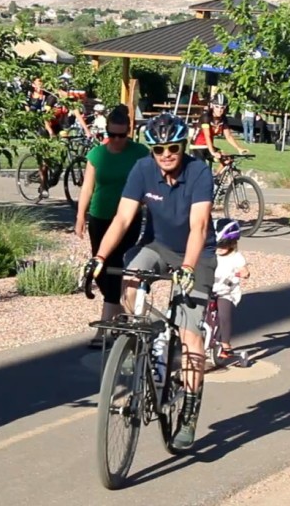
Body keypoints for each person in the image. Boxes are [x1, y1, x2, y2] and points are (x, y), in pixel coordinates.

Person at [84, 112, 216, 450]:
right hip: (157, 245)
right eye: (159, 149)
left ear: (182, 146)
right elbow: (123, 217)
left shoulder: (199, 171)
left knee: (190, 335)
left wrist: (187, 266)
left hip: (196, 253)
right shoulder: (142, 169)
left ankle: (188, 412)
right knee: (129, 276)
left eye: (173, 147)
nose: (167, 154)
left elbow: (199, 226)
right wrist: (99, 257)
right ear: (152, 151)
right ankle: (141, 339)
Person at [75, 105, 150, 348]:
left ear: (129, 132)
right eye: (112, 135)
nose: (117, 140)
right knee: (102, 266)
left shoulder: (139, 153)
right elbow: (87, 187)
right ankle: (119, 319)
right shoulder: (97, 154)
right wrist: (80, 216)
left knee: (121, 266)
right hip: (101, 216)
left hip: (128, 218)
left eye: (122, 135)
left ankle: (107, 328)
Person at [211, 218, 250, 361]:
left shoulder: (236, 257)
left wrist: (242, 273)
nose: (219, 248)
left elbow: (244, 271)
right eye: (216, 245)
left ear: (233, 243)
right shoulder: (210, 254)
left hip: (225, 291)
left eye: (224, 244)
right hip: (208, 288)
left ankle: (225, 344)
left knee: (224, 316)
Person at [190, 93, 250, 169]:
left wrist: (239, 148)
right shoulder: (206, 117)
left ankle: (217, 179)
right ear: (212, 106)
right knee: (201, 170)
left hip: (209, 146)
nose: (219, 110)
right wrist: (213, 152)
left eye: (222, 107)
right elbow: (207, 136)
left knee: (227, 159)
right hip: (197, 147)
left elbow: (228, 136)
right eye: (217, 107)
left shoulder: (223, 119)